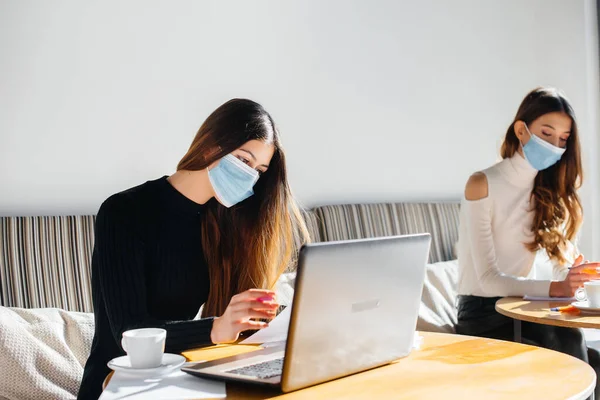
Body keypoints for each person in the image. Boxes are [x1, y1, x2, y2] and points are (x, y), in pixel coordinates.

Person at [78, 99, 309, 399]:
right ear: (212, 146)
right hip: (118, 384)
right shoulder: (123, 212)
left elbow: (231, 320)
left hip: (180, 379)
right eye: (243, 160)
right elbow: (129, 332)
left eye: (260, 170)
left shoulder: (225, 221)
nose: (251, 177)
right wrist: (215, 329)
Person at [456, 87, 600, 397]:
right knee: (568, 351)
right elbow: (487, 279)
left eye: (563, 139)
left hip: (526, 308)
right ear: (522, 130)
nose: (555, 145)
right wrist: (555, 290)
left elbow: (555, 272)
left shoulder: (550, 192)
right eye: (547, 134)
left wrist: (572, 278)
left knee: (590, 364)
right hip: (483, 313)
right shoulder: (482, 183)